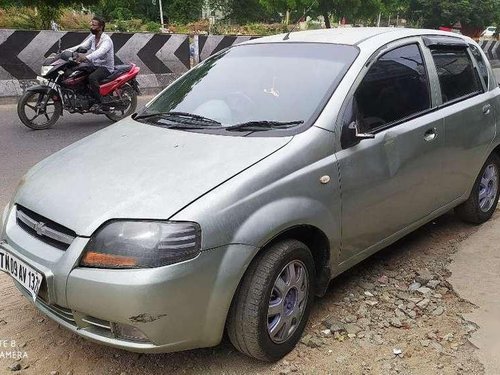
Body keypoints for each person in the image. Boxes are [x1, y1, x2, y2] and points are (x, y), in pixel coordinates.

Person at [66, 16, 114, 109]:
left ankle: (100, 102)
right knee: (78, 73)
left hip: (105, 67)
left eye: (94, 25)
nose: (91, 26)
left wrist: (85, 57)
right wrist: (66, 51)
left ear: (100, 27)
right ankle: (85, 96)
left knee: (92, 78)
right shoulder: (92, 38)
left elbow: (100, 52)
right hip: (94, 65)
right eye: (91, 24)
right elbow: (81, 46)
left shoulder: (106, 40)